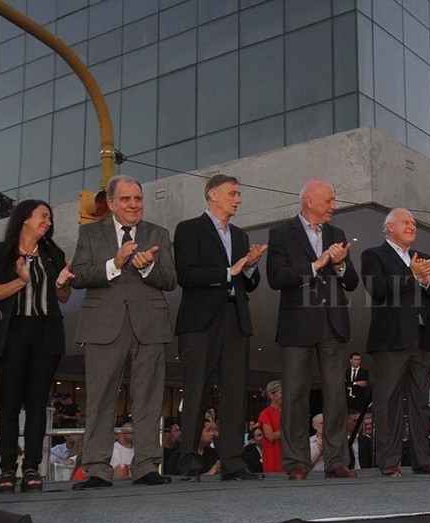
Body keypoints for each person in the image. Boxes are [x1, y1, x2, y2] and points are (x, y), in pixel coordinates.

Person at [70, 175, 177, 489]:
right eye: (127, 199)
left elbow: (170, 278)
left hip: (150, 326)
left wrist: (147, 267)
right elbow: (78, 275)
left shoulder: (159, 233)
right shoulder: (90, 233)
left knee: (149, 398)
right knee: (100, 398)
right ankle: (97, 469)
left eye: (138, 199)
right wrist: (113, 264)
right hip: (103, 326)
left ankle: (146, 466)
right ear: (112, 203)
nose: (134, 205)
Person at [174, 174, 266, 482]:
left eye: (239, 194)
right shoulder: (189, 229)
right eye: (233, 193)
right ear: (212, 194)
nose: (238, 199)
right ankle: (188, 459)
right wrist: (228, 272)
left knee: (235, 392)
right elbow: (186, 275)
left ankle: (233, 462)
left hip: (235, 319)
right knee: (197, 390)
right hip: (200, 323)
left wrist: (251, 265)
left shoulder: (240, 235)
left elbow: (249, 283)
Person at [268, 180, 358, 480]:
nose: (334, 206)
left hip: (333, 325)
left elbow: (352, 281)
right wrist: (316, 264)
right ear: (309, 201)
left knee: (336, 396)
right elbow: (276, 277)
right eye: (329, 200)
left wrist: (342, 265)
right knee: (294, 396)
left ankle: (336, 461)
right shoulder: (281, 233)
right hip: (296, 326)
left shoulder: (337, 234)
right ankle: (296, 462)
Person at [0, 200, 73, 493]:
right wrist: (21, 281)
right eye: (42, 216)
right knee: (9, 403)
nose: (47, 222)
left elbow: (62, 297)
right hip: (11, 332)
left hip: (45, 333)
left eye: (49, 218)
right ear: (24, 219)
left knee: (37, 404)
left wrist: (62, 283)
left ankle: (33, 467)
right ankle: (7, 468)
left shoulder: (53, 254)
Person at [361, 208, 430, 477]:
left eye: (413, 222)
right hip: (391, 341)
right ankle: (389, 461)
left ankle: (422, 460)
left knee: (421, 403)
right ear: (390, 228)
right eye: (405, 222)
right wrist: (411, 274)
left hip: (422, 339)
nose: (411, 226)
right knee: (388, 402)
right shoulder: (373, 255)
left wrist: (427, 279)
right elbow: (378, 289)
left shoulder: (424, 258)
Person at [257, 380, 284, 473]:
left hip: (288, 454)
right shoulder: (265, 413)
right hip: (273, 455)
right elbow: (270, 436)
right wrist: (288, 431)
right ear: (271, 395)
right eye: (281, 393)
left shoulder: (289, 412)